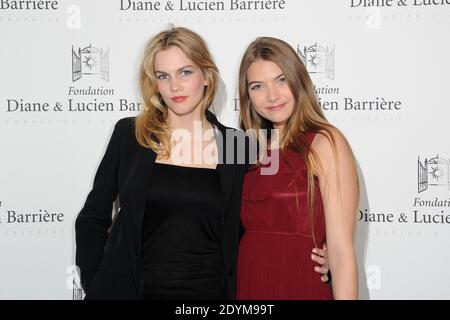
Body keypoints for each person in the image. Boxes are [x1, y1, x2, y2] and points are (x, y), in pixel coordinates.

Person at [75, 26, 329, 300]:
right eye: (163, 76)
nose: (175, 86)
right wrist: (98, 285)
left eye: (185, 72)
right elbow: (92, 218)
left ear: (207, 75)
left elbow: (258, 224)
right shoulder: (132, 136)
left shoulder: (237, 145)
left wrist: (323, 257)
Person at [237, 37, 359, 300]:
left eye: (281, 80)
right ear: (248, 95)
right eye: (258, 86)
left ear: (298, 80)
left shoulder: (325, 142)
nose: (272, 96)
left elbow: (340, 250)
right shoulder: (244, 148)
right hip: (248, 283)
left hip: (299, 282)